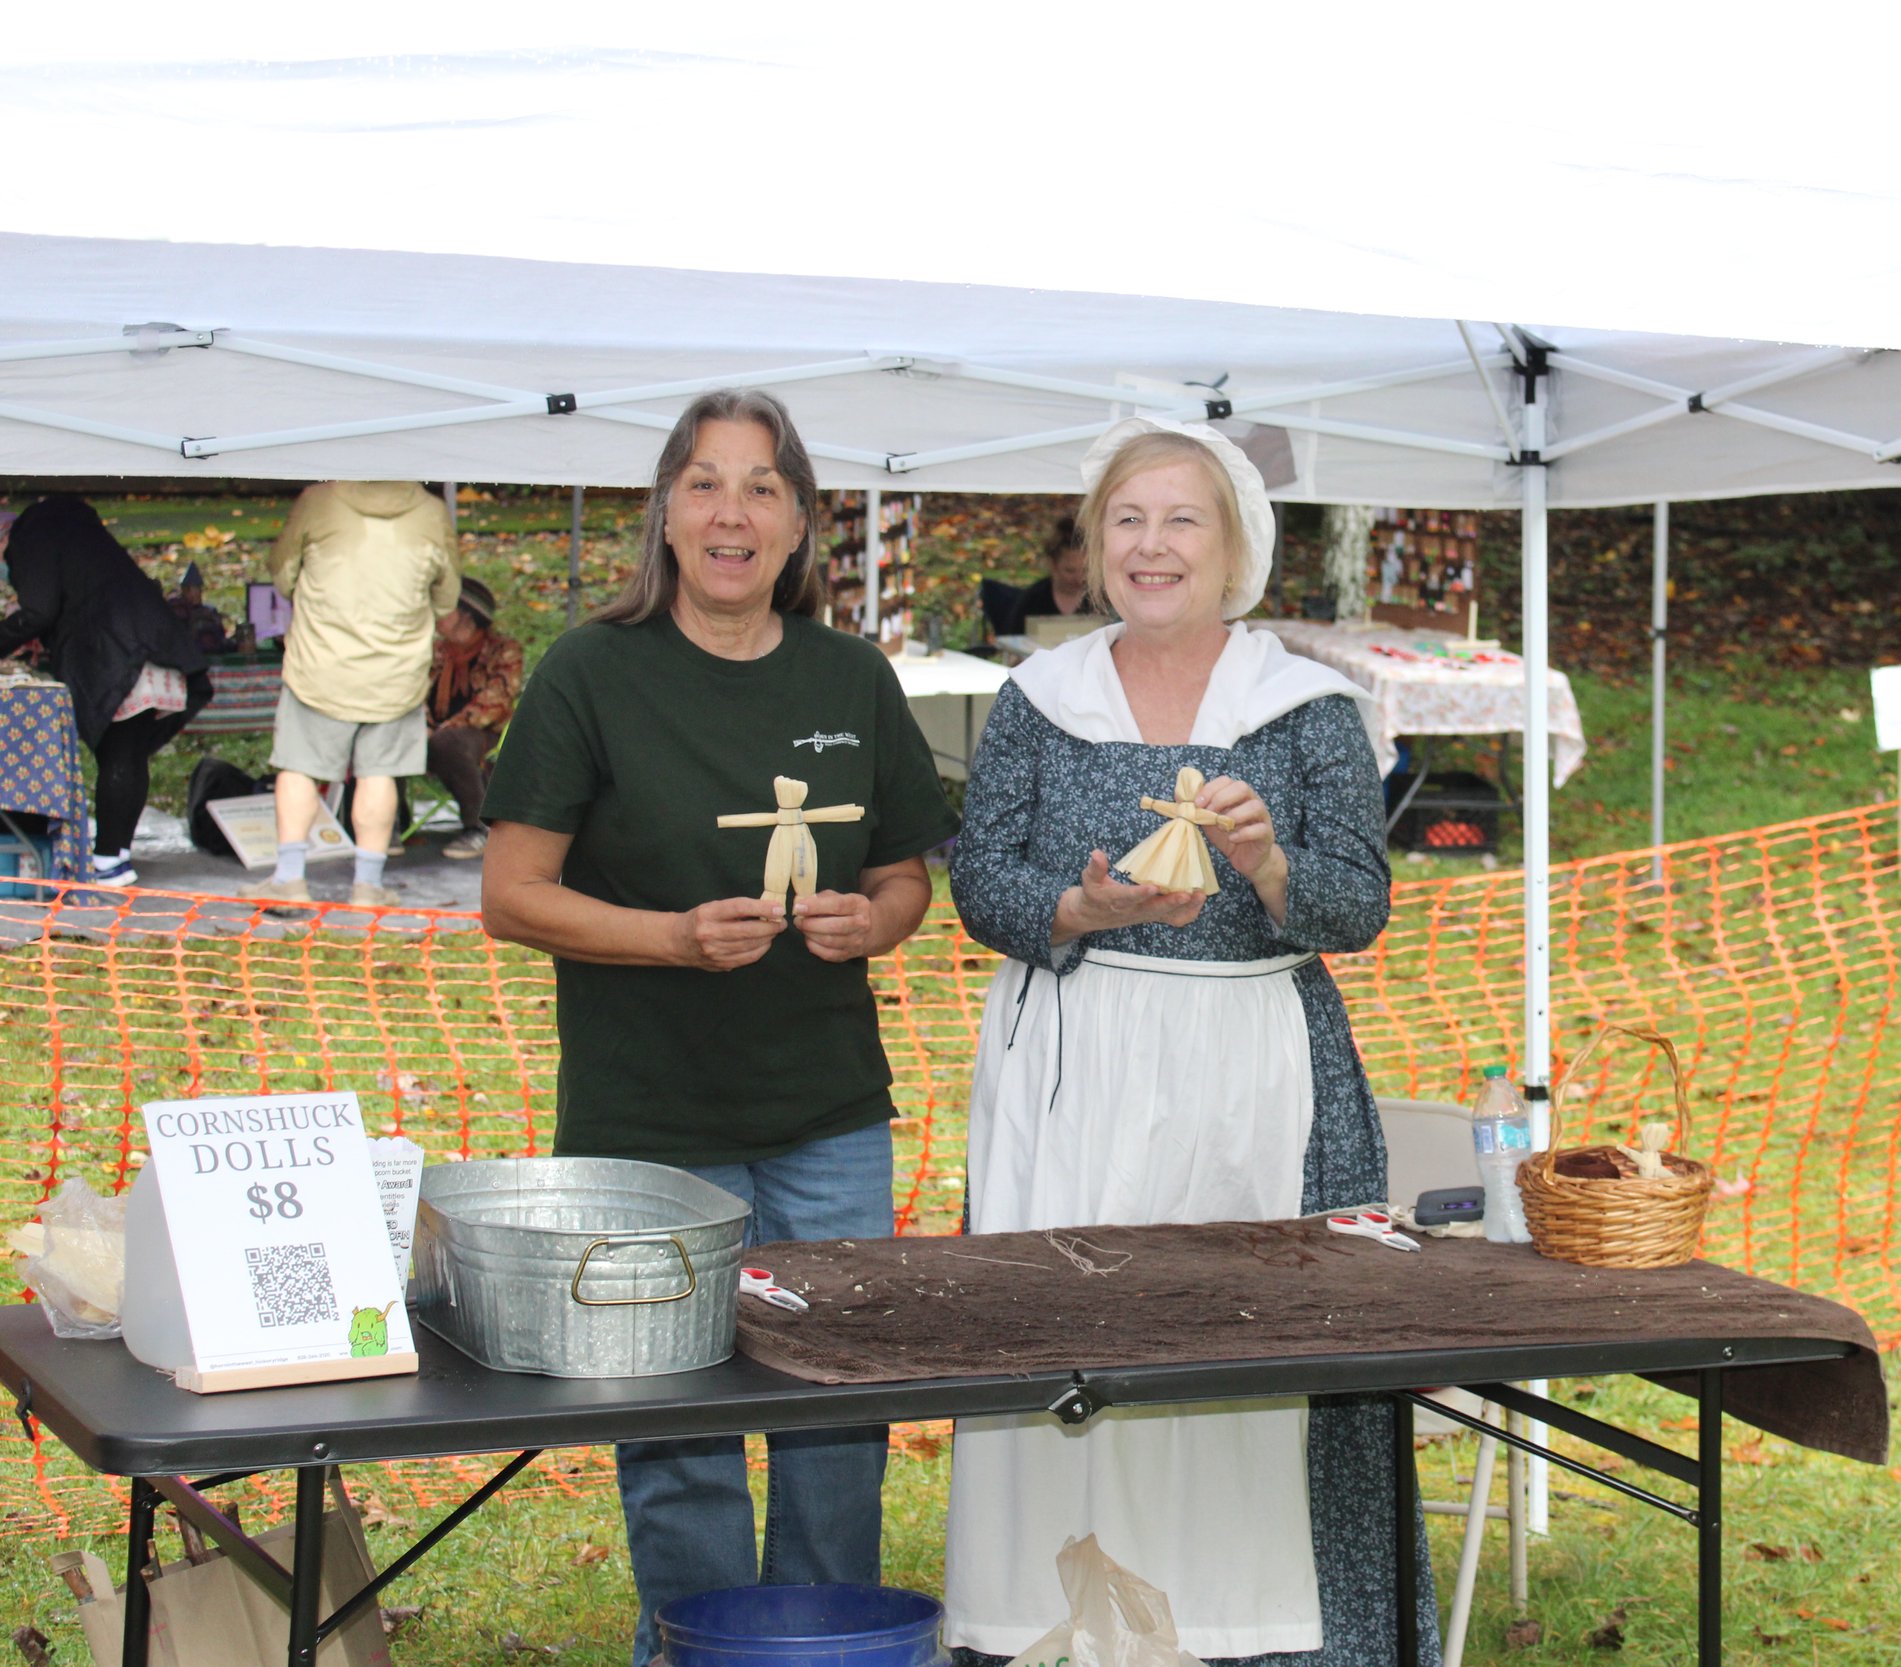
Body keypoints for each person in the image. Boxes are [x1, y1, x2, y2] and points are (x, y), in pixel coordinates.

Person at [478, 389, 958, 1667]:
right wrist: (671, 937)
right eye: (704, 483)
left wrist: (882, 918)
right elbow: (511, 895)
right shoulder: (592, 669)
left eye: (760, 487)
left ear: (802, 522)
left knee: (835, 1411)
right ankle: (698, 1648)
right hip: (649, 1117)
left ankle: (817, 1643)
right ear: (666, 513)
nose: (730, 512)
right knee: (676, 1419)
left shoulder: (850, 675)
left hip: (826, 1110)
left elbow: (910, 868)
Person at [945, 419, 1429, 1666]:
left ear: (1234, 550)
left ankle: (1262, 1636)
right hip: (1075, 1065)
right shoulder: (1042, 701)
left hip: (1257, 1064)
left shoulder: (1307, 708)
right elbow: (982, 880)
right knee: (1070, 1342)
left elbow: (1357, 905)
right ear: (1095, 540)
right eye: (1126, 519)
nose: (1150, 546)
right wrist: (1079, 909)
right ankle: (1054, 1626)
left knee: (1249, 1349)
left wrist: (1267, 858)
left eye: (1181, 521)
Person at [261, 481, 461, 907]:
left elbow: (281, 572)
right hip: (396, 673)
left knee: (298, 767)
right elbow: (447, 598)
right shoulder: (431, 511)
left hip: (320, 666)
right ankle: (368, 886)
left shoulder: (318, 500)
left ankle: (289, 880)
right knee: (379, 774)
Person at [0, 497, 210, 888]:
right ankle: (118, 853)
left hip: (120, 651)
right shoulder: (68, 530)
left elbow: (39, 610)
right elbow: (72, 594)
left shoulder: (28, 539)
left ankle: (110, 860)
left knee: (120, 754)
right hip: (146, 640)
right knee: (127, 753)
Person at [419, 576, 522, 859]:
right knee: (390, 735)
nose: (436, 613)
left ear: (466, 614)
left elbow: (496, 700)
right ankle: (390, 825)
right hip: (435, 731)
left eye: (445, 608)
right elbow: (414, 690)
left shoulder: (503, 649)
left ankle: (477, 827)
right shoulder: (435, 651)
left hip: (483, 734)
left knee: (449, 742)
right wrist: (424, 725)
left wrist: (444, 728)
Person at [1015, 513, 1095, 625]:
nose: (1079, 578)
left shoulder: (1100, 600)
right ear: (1053, 564)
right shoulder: (1033, 600)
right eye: (1070, 570)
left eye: (1086, 571)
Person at [165, 562, 234, 655]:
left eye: (198, 589)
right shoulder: (178, 609)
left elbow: (218, 638)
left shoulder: (209, 612)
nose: (197, 593)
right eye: (192, 589)